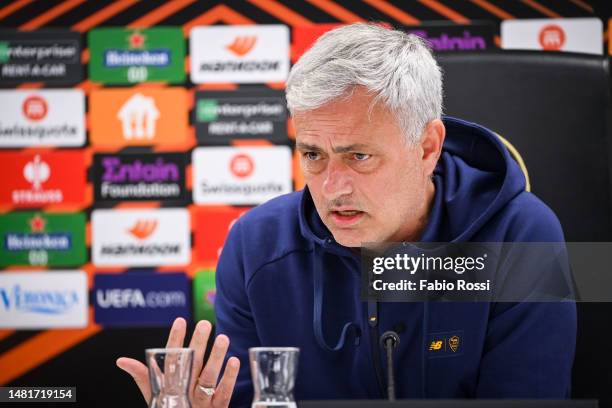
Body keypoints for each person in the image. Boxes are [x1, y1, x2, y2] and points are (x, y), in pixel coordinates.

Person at [117, 23, 576, 407]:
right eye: (313, 155)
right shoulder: (254, 246)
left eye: (358, 156)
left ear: (427, 147)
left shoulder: (524, 237)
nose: (332, 188)